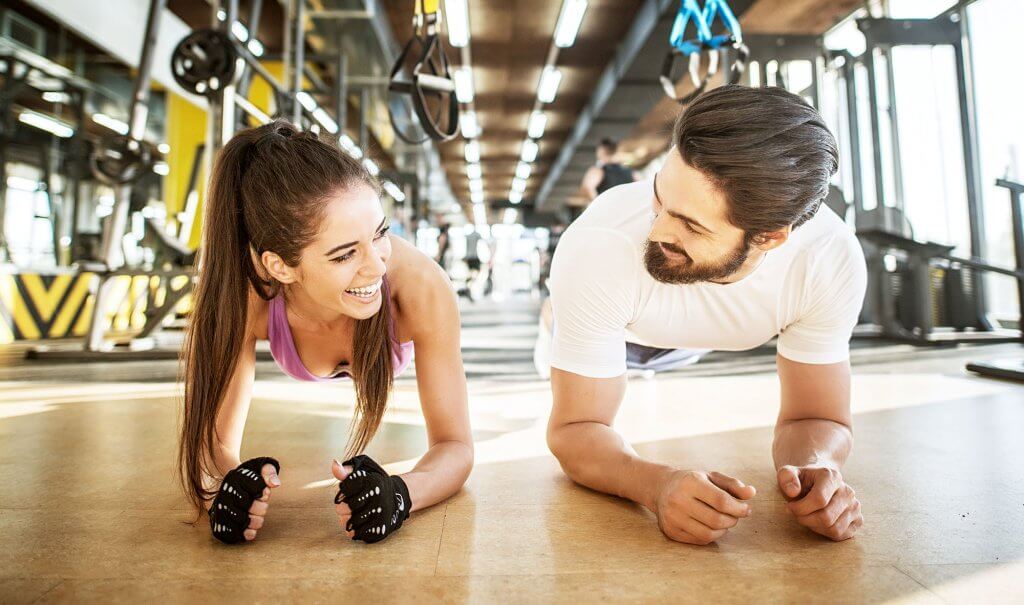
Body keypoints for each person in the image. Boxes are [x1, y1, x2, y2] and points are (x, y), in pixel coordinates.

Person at [544, 86, 867, 546]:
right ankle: (552, 312)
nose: (655, 231)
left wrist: (819, 469)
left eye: (691, 225)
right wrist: (655, 484)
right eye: (660, 197)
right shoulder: (600, 245)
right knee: (569, 314)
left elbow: (815, 416)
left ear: (770, 238)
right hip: (614, 322)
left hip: (693, 340)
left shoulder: (827, 261)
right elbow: (575, 430)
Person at [178, 121, 473, 545]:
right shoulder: (248, 295)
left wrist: (401, 494)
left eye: (380, 234)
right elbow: (213, 442)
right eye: (344, 254)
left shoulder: (421, 286)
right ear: (280, 266)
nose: (376, 266)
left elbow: (456, 446)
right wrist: (229, 487)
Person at [570, 138, 636, 221]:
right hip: (627, 213)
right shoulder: (631, 172)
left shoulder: (598, 171)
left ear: (601, 151)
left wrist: (599, 206)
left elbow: (587, 186)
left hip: (607, 213)